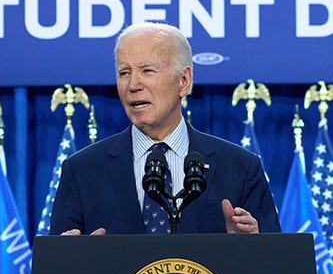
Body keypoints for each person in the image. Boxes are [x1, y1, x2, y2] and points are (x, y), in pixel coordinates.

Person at [49, 22, 280, 235]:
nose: (133, 85)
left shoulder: (240, 168)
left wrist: (251, 246)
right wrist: (72, 260)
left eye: (147, 71)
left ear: (184, 81)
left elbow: (276, 269)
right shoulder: (82, 171)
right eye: (124, 73)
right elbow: (55, 273)